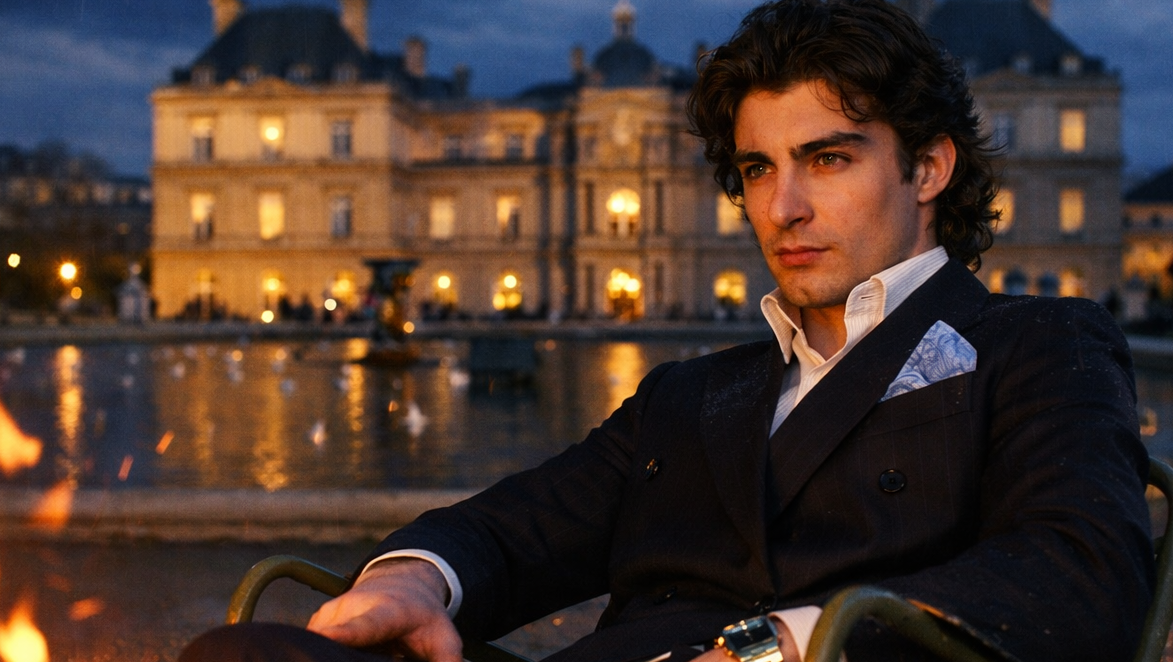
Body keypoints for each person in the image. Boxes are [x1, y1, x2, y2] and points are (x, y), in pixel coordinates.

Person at [180, 1, 1153, 660]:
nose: (786, 205)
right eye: (759, 169)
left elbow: (1081, 575)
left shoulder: (1038, 344)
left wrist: (774, 645)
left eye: (828, 157)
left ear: (931, 168)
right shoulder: (693, 391)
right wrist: (414, 578)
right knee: (243, 650)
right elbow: (518, 525)